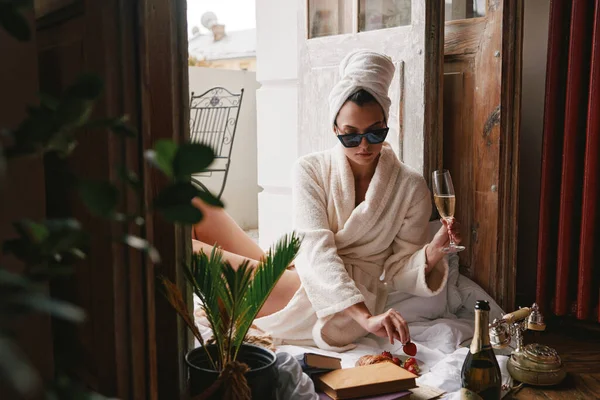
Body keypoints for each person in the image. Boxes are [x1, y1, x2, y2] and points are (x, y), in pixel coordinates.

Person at [192, 50, 462, 352]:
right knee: (192, 205)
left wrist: (432, 254)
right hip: (311, 271)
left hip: (345, 301)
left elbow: (398, 268)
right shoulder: (310, 169)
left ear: (387, 124)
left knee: (185, 249)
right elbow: (315, 249)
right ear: (335, 129)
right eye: (350, 135)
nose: (363, 146)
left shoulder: (410, 186)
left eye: (375, 134)